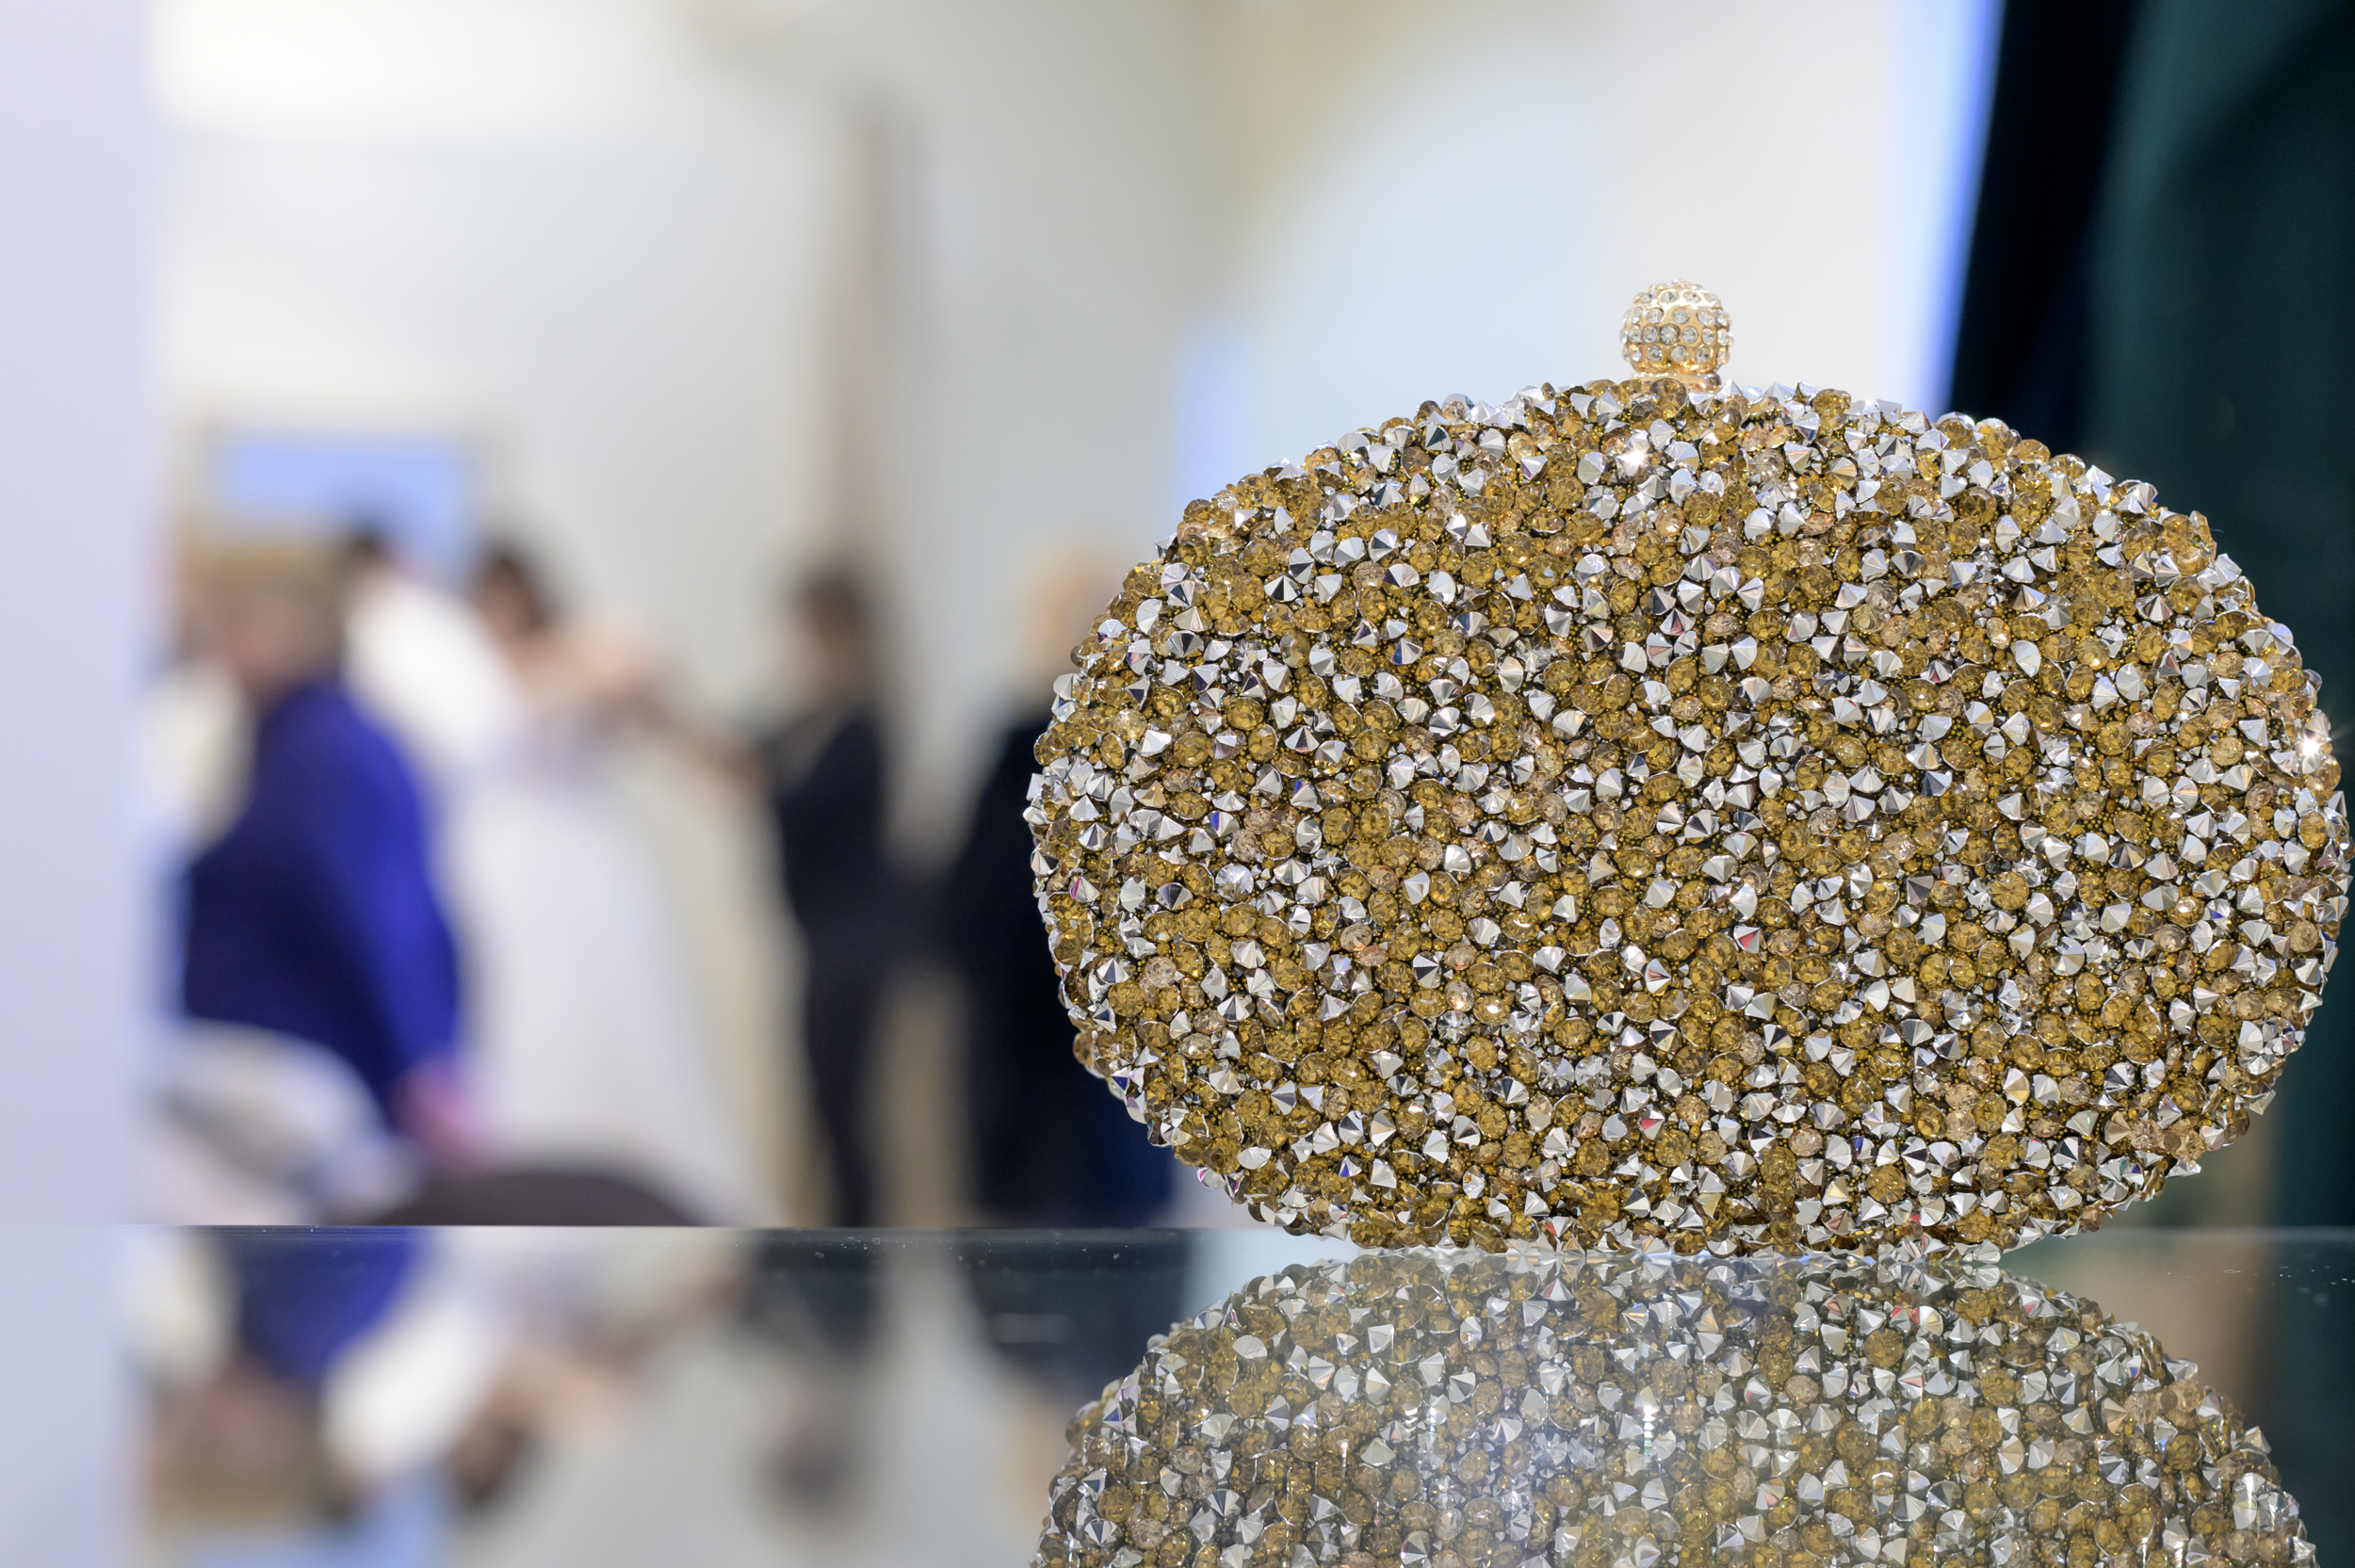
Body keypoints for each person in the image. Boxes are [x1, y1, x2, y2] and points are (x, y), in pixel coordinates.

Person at [445, 541, 761, 1220]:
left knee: (610, 1017)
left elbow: (665, 719)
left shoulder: (594, 649)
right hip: (496, 869)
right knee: (518, 1022)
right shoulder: (458, 668)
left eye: (509, 594)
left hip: (581, 863)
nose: (500, 610)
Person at [179, 542, 473, 1168]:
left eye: (239, 619)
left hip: (318, 1091)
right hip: (283, 1073)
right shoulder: (279, 738)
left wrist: (421, 1068)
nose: (219, 643)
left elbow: (380, 919)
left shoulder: (329, 753)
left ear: (299, 626)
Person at [751, 567, 899, 1228]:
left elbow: (787, 794)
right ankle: (841, 1241)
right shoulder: (807, 722)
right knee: (824, 1105)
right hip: (821, 935)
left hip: (853, 941)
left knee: (841, 1108)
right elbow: (741, 755)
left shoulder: (857, 727)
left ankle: (853, 1247)